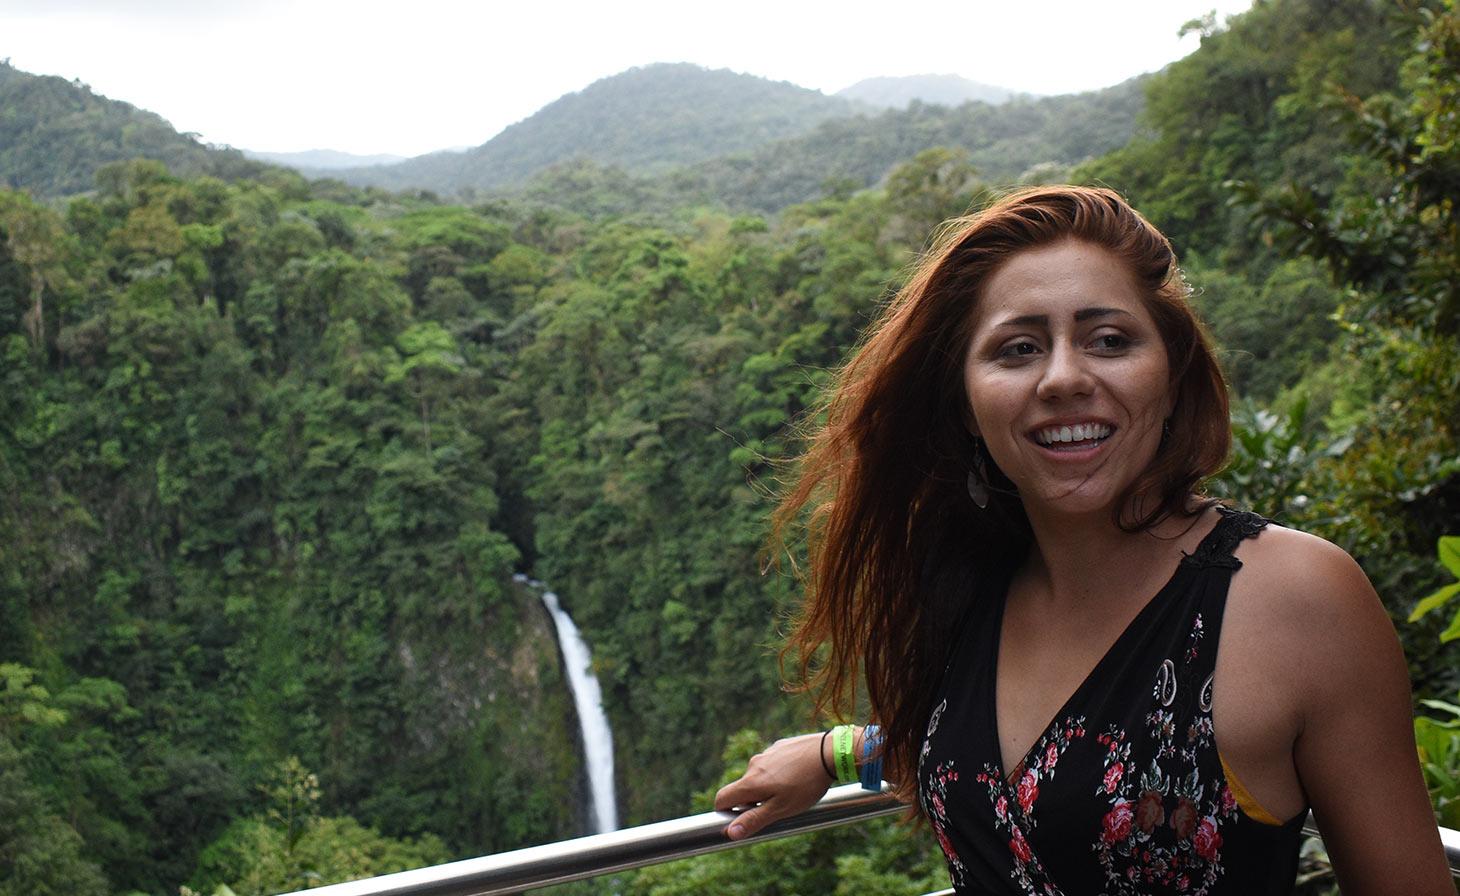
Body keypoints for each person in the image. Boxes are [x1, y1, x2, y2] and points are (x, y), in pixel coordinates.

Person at [714, 186, 1452, 894]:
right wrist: (837, 752)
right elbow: (1007, 755)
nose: (1063, 378)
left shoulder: (1295, 599)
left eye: (1109, 340)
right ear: (967, 405)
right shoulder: (974, 587)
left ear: (1171, 376)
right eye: (1017, 349)